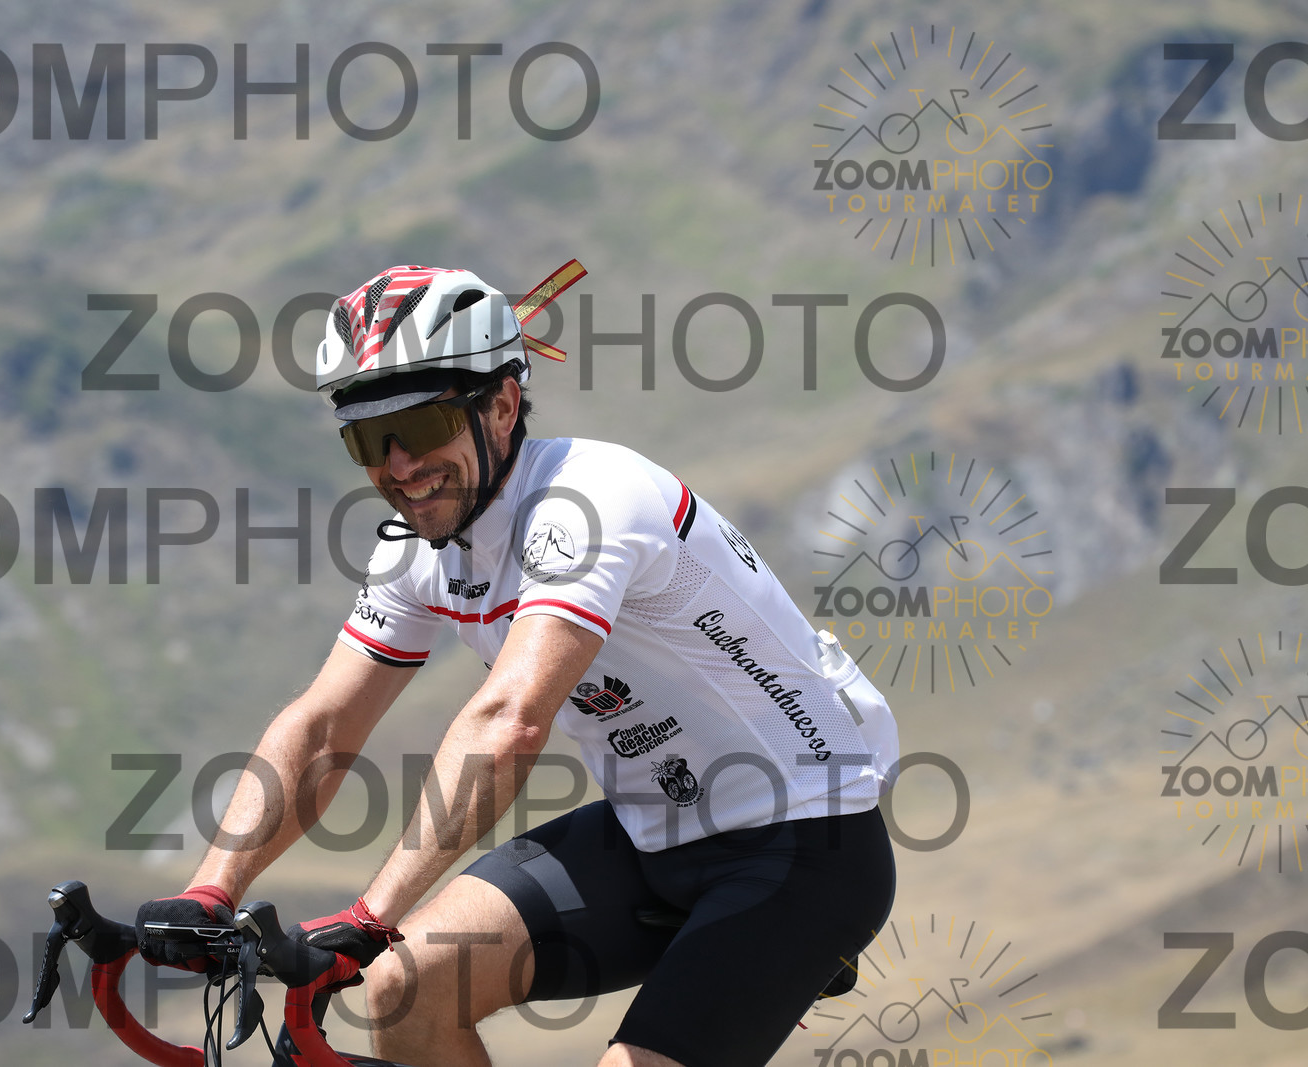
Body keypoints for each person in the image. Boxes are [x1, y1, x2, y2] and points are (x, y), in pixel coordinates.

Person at [136, 263, 899, 1067]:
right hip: (650, 835)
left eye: (421, 426)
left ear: (501, 405)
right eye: (367, 440)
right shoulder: (420, 547)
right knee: (406, 984)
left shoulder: (586, 501)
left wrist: (371, 914)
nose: (398, 465)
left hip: (804, 839)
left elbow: (509, 722)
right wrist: (212, 891)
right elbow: (325, 724)